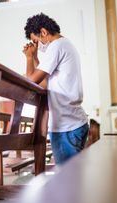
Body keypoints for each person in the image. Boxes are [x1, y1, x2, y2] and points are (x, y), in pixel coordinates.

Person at [23, 13, 89, 165]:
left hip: (66, 127)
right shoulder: (64, 44)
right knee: (72, 179)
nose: (37, 45)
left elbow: (32, 82)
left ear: (44, 32)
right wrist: (34, 57)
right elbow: (45, 83)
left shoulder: (56, 46)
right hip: (73, 123)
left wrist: (28, 57)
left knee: (67, 182)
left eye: (36, 40)